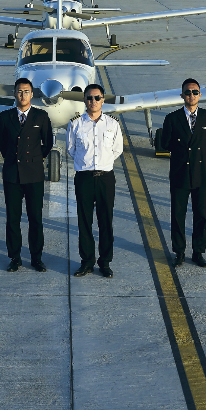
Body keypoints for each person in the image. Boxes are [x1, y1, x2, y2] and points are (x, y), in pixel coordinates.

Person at [158, 79, 206, 267]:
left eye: (195, 92)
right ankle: (179, 252)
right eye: (187, 92)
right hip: (180, 172)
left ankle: (198, 252)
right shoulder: (172, 118)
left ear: (200, 95)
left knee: (201, 215)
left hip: (202, 173)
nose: (191, 95)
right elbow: (165, 143)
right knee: (178, 215)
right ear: (182, 96)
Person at [0, 77, 54, 272]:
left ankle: (36, 258)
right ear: (15, 94)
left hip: (34, 175)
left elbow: (47, 144)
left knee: (35, 218)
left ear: (32, 94)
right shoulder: (5, 117)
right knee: (13, 218)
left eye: (27, 92)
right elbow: (2, 144)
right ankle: (15, 257)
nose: (23, 95)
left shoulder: (41, 116)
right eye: (20, 92)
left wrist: (34, 160)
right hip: (12, 175)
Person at [68, 83, 122, 277]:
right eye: (89, 98)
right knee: (84, 222)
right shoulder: (75, 124)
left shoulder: (112, 124)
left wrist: (103, 163)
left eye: (97, 98)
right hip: (84, 178)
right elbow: (71, 149)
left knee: (105, 221)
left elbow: (117, 150)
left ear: (103, 100)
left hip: (105, 178)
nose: (93, 101)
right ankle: (87, 261)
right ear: (84, 100)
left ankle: (105, 263)